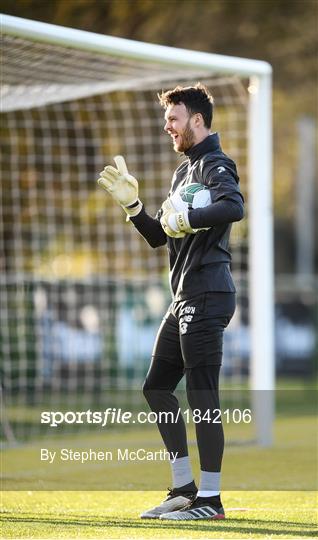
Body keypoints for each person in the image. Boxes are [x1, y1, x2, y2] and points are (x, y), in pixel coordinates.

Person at [97, 83, 244, 521]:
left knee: (203, 395)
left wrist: (190, 217)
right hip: (183, 295)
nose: (168, 126)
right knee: (156, 387)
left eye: (174, 119)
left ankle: (212, 502)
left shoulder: (217, 164)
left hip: (209, 291)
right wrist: (134, 206)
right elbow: (161, 235)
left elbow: (233, 206)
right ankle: (183, 488)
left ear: (197, 120)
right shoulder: (183, 173)